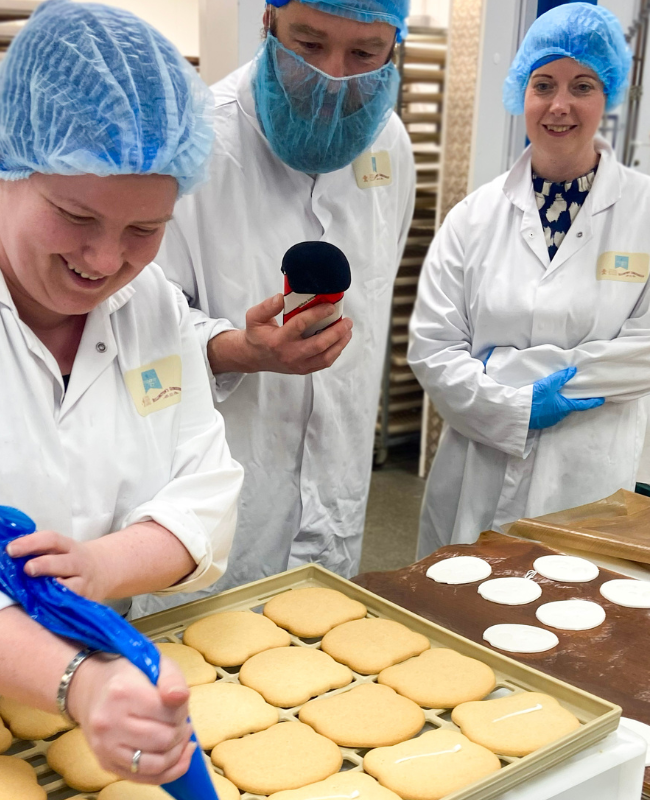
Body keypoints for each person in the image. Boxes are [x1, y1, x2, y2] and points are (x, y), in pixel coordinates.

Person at [0, 0, 243, 785]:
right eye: (75, 215)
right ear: (3, 161)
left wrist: (99, 566)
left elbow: (206, 488)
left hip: (106, 709)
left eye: (145, 229)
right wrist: (75, 681)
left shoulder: (153, 303)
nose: (105, 261)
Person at [138, 0, 415, 613]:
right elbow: (135, 320)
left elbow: (375, 290)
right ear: (268, 24)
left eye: (364, 54)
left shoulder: (388, 144)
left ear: (394, 47)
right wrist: (237, 348)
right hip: (216, 491)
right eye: (310, 45)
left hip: (337, 488)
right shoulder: (196, 142)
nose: (334, 78)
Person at [408, 3, 650, 559]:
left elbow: (642, 356)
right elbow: (432, 349)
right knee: (457, 619)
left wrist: (505, 368)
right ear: (522, 92)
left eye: (581, 85)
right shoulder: (472, 216)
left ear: (606, 96)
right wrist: (514, 407)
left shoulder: (642, 212)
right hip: (478, 469)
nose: (560, 105)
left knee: (574, 627)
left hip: (589, 479)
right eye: (544, 84)